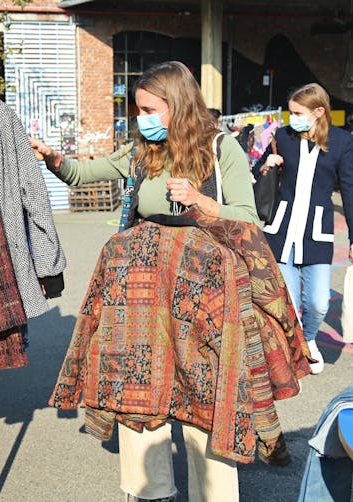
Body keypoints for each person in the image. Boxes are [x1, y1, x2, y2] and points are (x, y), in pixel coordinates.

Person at [33, 61, 258, 501]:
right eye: (138, 110)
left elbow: (249, 219)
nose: (143, 119)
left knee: (204, 396)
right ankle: (147, 492)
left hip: (202, 295)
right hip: (142, 295)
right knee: (137, 391)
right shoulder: (144, 151)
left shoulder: (220, 148)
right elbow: (85, 173)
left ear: (177, 104)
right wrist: (53, 159)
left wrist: (200, 202)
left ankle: (213, 495)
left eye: (150, 109)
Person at [256, 83, 353, 375]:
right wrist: (265, 163)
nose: (292, 118)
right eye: (290, 112)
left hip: (316, 233)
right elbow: (258, 172)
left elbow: (349, 190)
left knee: (319, 302)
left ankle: (309, 338)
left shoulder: (341, 142)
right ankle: (291, 350)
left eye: (298, 112)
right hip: (282, 229)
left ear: (319, 112)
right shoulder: (283, 136)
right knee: (286, 301)